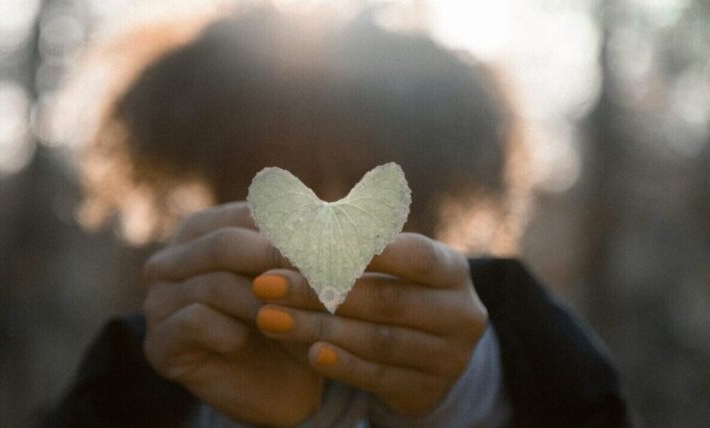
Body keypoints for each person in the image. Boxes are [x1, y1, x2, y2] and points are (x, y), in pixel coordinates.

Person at [44, 5, 629, 427]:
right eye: (275, 175)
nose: (323, 218)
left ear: (427, 200)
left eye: (360, 177)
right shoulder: (135, 371)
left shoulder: (535, 353)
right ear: (216, 188)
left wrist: (460, 397)